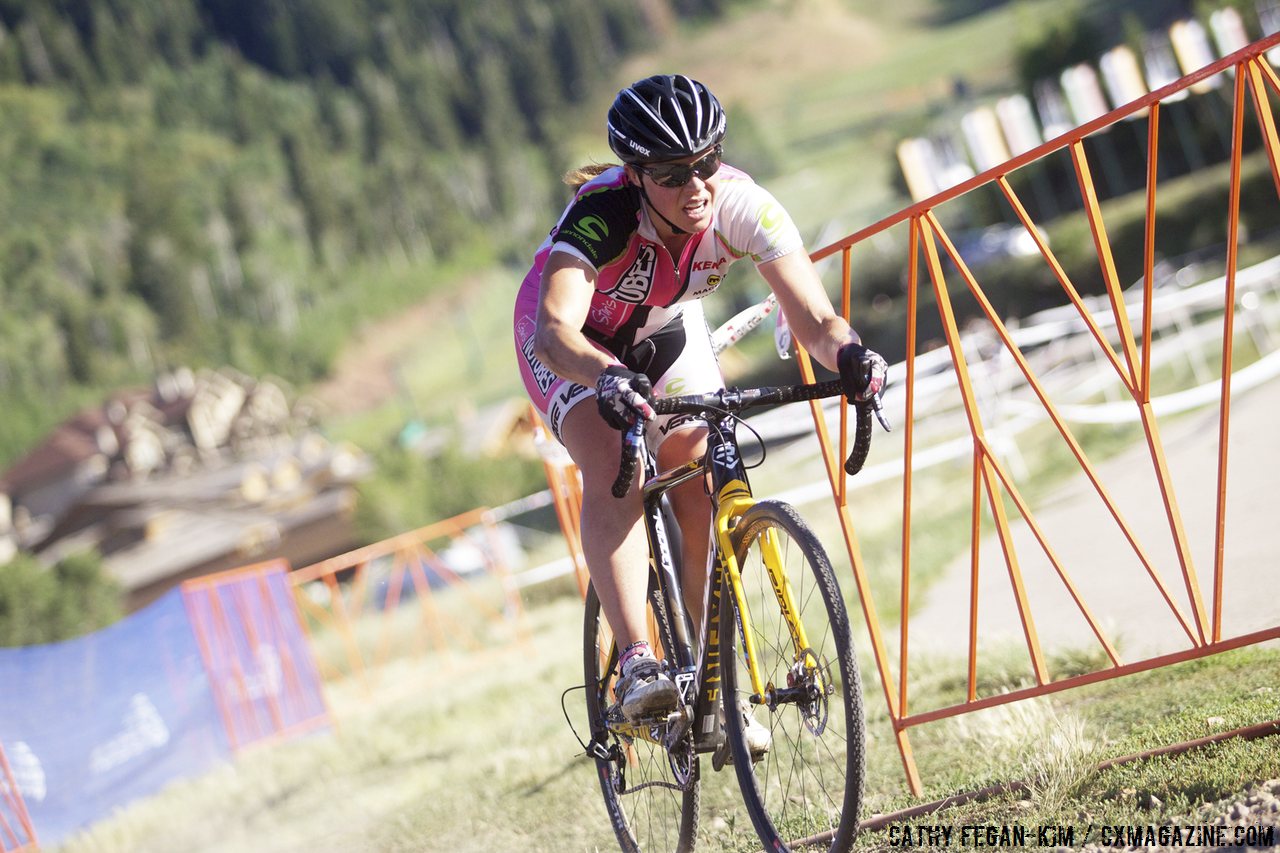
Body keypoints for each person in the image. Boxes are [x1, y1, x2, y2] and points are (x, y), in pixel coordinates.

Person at [512, 75, 887, 734]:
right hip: (576, 345)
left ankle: (710, 678)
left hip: (664, 328)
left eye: (708, 161)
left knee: (701, 470)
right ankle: (636, 661)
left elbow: (817, 318)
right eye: (673, 172)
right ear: (635, 175)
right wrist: (606, 377)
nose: (697, 185)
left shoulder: (746, 206)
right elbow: (555, 331)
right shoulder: (602, 215)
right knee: (611, 463)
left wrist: (853, 356)